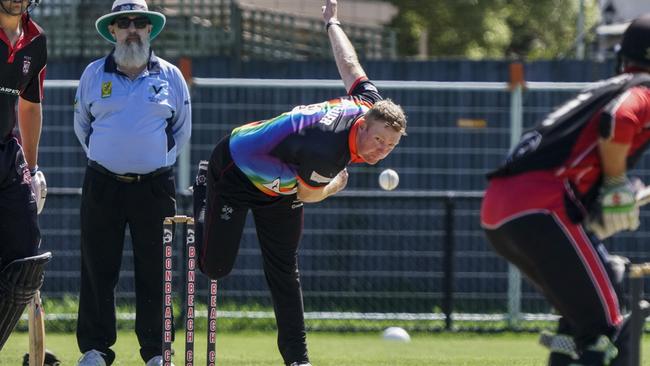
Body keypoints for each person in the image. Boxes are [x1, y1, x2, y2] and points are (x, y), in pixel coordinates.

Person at [191, 1, 406, 365]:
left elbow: (350, 65)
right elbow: (309, 193)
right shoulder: (328, 151)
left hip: (283, 176)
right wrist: (337, 184)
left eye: (390, 147)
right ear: (364, 126)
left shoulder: (370, 102)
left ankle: (297, 359)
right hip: (237, 167)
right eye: (378, 141)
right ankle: (202, 186)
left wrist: (332, 24)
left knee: (284, 270)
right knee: (215, 269)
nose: (380, 152)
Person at [480, 13, 650, 366]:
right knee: (608, 329)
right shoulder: (641, 90)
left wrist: (595, 206)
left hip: (501, 210)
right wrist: (617, 185)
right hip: (544, 206)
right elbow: (619, 120)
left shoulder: (603, 88)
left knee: (577, 322)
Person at [73, 0, 191, 365]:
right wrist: (109, 157)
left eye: (139, 22)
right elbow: (83, 127)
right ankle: (95, 350)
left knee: (156, 269)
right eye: (123, 23)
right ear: (112, 30)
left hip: (154, 187)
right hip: (102, 184)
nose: (132, 29)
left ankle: (156, 352)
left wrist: (153, 162)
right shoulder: (93, 74)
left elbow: (181, 130)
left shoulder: (170, 76)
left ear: (150, 29)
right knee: (97, 268)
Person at [0, 0, 51, 354]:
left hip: (6, 155)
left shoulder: (35, 40)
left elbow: (29, 105)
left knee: (25, 261)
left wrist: (31, 171)